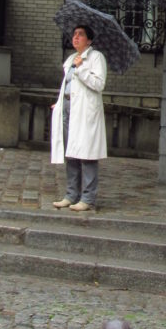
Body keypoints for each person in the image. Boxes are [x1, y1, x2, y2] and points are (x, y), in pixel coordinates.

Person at [50, 24, 107, 212]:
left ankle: (88, 198)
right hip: (69, 110)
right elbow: (67, 86)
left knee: (87, 155)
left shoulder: (96, 58)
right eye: (74, 34)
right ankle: (71, 194)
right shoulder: (70, 59)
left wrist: (81, 68)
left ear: (89, 40)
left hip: (85, 113)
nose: (76, 37)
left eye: (80, 35)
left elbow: (98, 84)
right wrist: (59, 103)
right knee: (71, 154)